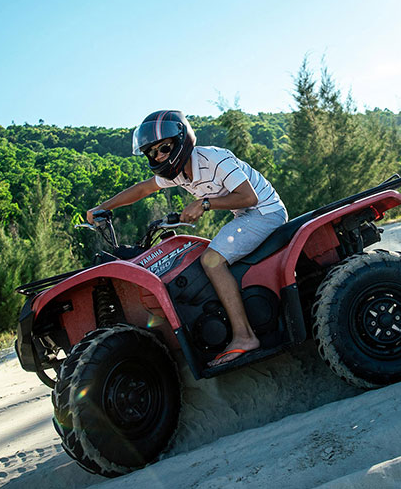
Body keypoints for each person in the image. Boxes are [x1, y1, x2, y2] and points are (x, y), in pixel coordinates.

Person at [86, 110, 287, 367]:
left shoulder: (213, 158)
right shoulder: (178, 172)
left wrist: (205, 204)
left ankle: (245, 337)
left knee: (212, 261)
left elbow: (249, 198)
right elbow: (144, 188)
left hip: (265, 212)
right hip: (244, 216)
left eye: (164, 148)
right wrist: (104, 207)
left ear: (181, 141)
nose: (158, 156)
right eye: (151, 152)